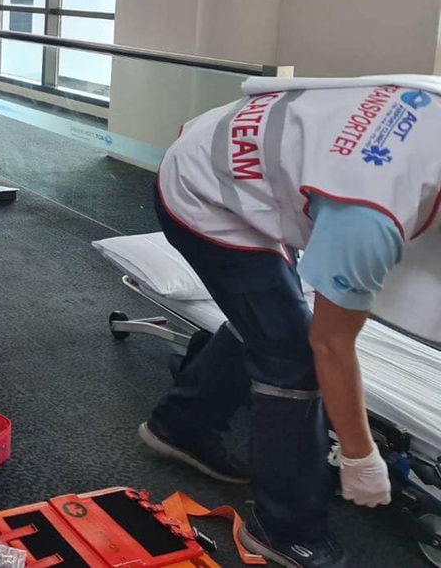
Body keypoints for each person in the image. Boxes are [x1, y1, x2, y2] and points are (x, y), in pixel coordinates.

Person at [137, 78, 441, 568]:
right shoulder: (369, 214)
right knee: (293, 355)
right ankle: (285, 530)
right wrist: (361, 457)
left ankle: (179, 424)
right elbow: (330, 346)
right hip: (204, 192)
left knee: (267, 316)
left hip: (254, 156)